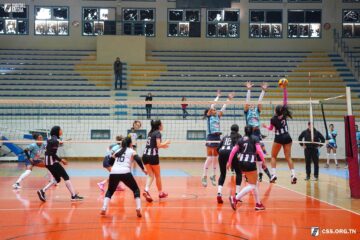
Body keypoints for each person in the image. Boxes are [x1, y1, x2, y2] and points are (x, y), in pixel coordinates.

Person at [101, 137, 147, 217]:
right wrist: (143, 169)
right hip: (125, 172)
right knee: (136, 190)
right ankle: (138, 208)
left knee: (110, 191)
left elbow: (110, 162)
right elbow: (138, 159)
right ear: (130, 144)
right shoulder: (132, 151)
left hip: (114, 172)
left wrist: (116, 165)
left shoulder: (117, 151)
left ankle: (104, 208)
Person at [37, 126, 83, 202]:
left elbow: (50, 150)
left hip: (48, 162)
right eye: (60, 130)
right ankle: (73, 196)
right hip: (52, 162)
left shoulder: (50, 139)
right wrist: (61, 160)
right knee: (66, 177)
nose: (62, 131)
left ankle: (42, 191)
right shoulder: (55, 141)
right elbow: (52, 153)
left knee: (57, 179)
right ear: (57, 131)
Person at [262, 83, 297, 184]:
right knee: (288, 157)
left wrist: (265, 127)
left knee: (273, 156)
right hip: (287, 137)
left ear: (276, 111)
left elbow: (271, 128)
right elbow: (285, 100)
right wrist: (284, 88)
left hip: (279, 138)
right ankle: (293, 175)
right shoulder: (285, 114)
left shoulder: (273, 119)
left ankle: (273, 175)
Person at [228, 126, 266, 211]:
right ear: (252, 130)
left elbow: (233, 151)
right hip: (250, 163)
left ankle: (258, 204)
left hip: (241, 163)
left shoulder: (240, 139)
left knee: (254, 183)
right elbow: (259, 150)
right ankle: (235, 198)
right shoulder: (255, 138)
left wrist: (229, 162)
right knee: (252, 185)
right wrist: (263, 160)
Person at [202, 90, 234, 187]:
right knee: (209, 157)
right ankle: (204, 176)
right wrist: (218, 97)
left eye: (215, 110)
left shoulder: (217, 116)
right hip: (210, 137)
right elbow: (212, 106)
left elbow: (224, 108)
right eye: (213, 110)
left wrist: (229, 99)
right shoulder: (209, 117)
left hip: (217, 137)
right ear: (210, 111)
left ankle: (213, 175)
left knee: (215, 158)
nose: (214, 110)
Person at [244, 81, 271, 182]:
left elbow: (259, 102)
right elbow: (247, 102)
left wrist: (263, 91)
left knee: (260, 155)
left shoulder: (257, 111)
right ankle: (247, 175)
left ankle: (263, 174)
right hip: (249, 133)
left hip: (257, 132)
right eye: (250, 105)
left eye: (252, 105)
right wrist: (249, 90)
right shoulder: (247, 112)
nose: (251, 106)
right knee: (248, 154)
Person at [142, 120, 171, 202]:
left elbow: (154, 145)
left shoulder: (150, 133)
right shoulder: (158, 133)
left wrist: (162, 146)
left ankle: (146, 190)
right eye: (162, 124)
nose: (163, 125)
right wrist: (166, 142)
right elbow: (158, 144)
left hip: (145, 156)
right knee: (157, 175)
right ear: (159, 126)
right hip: (153, 156)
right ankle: (160, 193)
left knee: (151, 175)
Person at [216, 124, 242, 204]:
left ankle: (219, 193)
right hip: (231, 153)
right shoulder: (239, 136)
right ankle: (237, 195)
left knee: (222, 174)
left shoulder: (225, 136)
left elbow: (218, 148)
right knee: (238, 173)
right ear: (237, 130)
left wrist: (222, 157)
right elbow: (240, 148)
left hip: (221, 153)